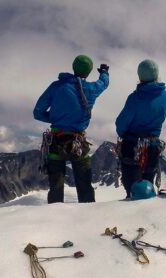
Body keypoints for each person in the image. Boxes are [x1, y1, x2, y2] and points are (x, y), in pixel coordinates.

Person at [33, 55, 110, 203]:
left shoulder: (56, 86)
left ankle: (54, 218)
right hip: (78, 143)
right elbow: (103, 83)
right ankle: (89, 216)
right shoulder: (90, 89)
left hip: (55, 142)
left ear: (74, 67)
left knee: (55, 186)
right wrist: (104, 72)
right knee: (85, 185)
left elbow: (37, 112)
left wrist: (56, 118)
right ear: (88, 73)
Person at [115, 59, 166, 198]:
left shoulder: (135, 98)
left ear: (140, 76)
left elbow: (121, 123)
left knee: (133, 190)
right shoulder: (165, 96)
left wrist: (123, 134)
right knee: (147, 188)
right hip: (152, 147)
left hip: (132, 146)